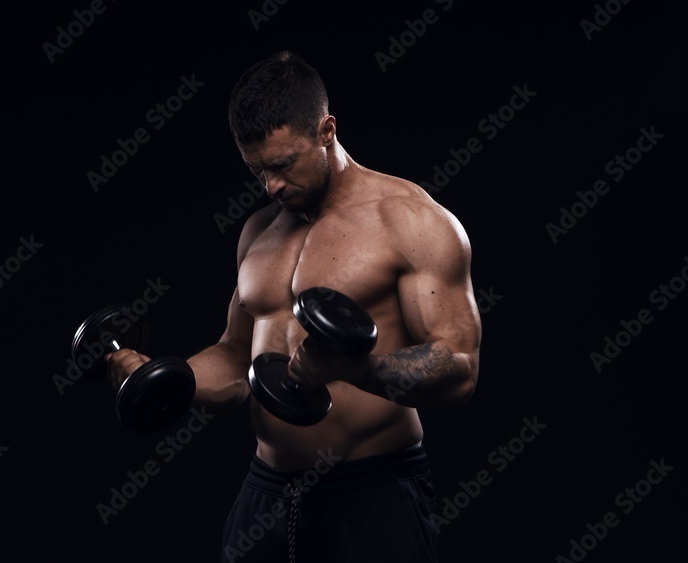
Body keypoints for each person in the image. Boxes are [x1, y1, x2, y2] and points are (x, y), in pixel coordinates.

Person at [106, 51, 481, 562]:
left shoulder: (411, 222)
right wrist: (165, 377)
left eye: (283, 165)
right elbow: (236, 358)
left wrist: (359, 369)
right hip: (267, 491)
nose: (272, 186)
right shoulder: (259, 231)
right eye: (258, 172)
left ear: (327, 130)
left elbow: (458, 367)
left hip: (373, 491)